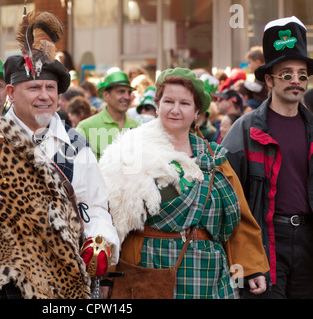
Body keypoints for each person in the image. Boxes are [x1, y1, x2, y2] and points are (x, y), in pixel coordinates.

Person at [0, 11, 120, 299]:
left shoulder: (76, 144)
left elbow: (96, 206)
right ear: (12, 92)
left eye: (50, 88)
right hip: (6, 286)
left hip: (67, 287)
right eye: (34, 87)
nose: (45, 96)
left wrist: (99, 239)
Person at [100, 68, 269, 299]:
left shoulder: (214, 157)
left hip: (208, 273)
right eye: (168, 101)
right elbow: (112, 219)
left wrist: (250, 267)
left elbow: (239, 217)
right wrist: (108, 275)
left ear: (197, 111)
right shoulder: (129, 152)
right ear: (157, 105)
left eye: (185, 103)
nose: (175, 109)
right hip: (149, 268)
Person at [222, 16, 313, 299]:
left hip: (308, 246)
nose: (296, 81)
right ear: (270, 79)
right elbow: (228, 204)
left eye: (302, 74)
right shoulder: (244, 131)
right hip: (263, 247)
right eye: (287, 74)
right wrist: (243, 266)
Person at [76, 71, 140, 160]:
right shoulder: (85, 127)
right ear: (106, 95)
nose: (127, 97)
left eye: (129, 92)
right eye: (121, 92)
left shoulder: (138, 127)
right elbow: (74, 164)